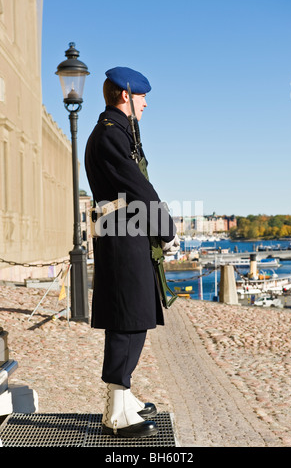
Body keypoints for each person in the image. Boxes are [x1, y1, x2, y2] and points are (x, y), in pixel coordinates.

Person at [85, 67, 179, 438]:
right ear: (126, 95)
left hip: (128, 232)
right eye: (141, 97)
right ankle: (117, 410)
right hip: (124, 234)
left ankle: (123, 398)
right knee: (127, 319)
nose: (145, 103)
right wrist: (166, 227)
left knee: (134, 316)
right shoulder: (111, 135)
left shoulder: (118, 132)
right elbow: (138, 187)